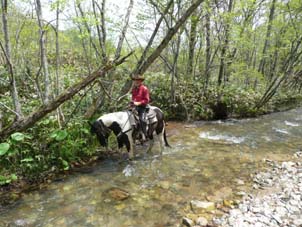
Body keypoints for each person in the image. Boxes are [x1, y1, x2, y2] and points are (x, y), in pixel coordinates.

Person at [131, 74, 150, 140]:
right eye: (135, 80)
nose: (136, 81)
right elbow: (133, 98)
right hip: (134, 107)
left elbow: (146, 100)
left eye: (138, 80)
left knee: (142, 120)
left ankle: (145, 135)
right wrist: (132, 103)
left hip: (142, 107)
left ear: (141, 81)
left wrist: (138, 103)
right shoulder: (134, 89)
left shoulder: (144, 89)